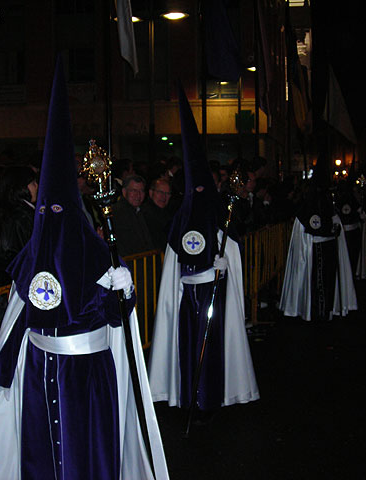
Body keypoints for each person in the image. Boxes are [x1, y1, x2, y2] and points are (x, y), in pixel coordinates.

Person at [0, 56, 167, 480]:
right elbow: (19, 318)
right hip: (41, 372)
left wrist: (125, 289)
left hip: (87, 375)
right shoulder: (33, 255)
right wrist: (4, 371)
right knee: (45, 455)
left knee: (85, 453)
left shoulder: (95, 253)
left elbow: (114, 316)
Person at [148, 85, 259, 421]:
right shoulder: (182, 217)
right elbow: (172, 266)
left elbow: (233, 243)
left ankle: (215, 395)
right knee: (186, 345)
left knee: (215, 348)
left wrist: (228, 261)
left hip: (215, 291)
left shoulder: (217, 212)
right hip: (186, 296)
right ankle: (186, 395)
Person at [279, 180, 357, 321]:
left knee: (326, 283)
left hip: (327, 249)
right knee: (318, 284)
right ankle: (317, 311)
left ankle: (325, 310)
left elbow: (335, 226)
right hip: (314, 251)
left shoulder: (327, 209)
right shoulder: (306, 210)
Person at [113, 174, 155, 256]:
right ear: (124, 192)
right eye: (134, 191)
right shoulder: (119, 212)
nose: (138, 195)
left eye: (141, 191)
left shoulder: (142, 210)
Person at [142, 177, 174, 251]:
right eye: (160, 192)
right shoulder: (145, 213)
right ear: (151, 193)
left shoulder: (169, 213)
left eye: (167, 193)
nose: (164, 197)